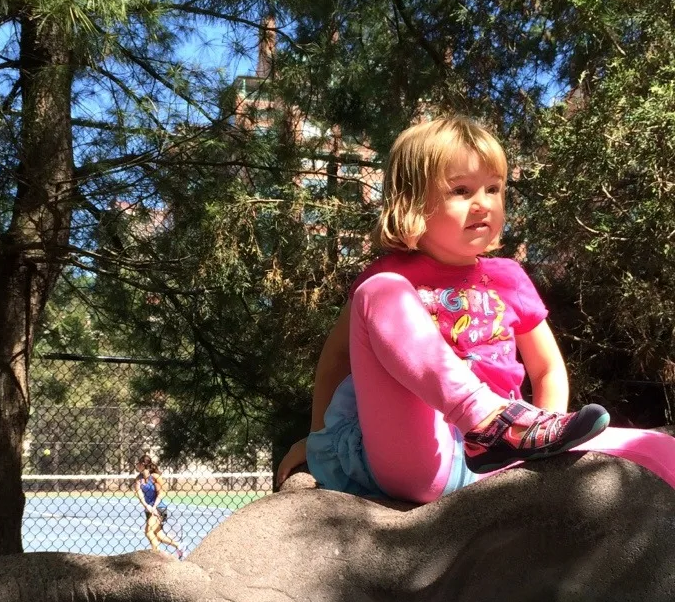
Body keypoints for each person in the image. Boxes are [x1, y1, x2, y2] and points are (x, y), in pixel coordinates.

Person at [276, 115, 675, 503]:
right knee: (381, 290)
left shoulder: (509, 277)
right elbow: (338, 358)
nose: (483, 204)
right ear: (413, 202)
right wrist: (316, 439)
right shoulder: (388, 277)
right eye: (461, 191)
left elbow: (547, 368)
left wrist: (544, 438)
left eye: (494, 189)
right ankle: (483, 419)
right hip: (418, 453)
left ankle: (510, 431)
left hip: (500, 460)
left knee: (658, 448)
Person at [134, 455, 183, 558]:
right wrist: (147, 506)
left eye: (138, 463)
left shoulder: (155, 477)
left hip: (160, 508)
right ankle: (179, 545)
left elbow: (160, 493)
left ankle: (156, 555)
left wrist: (154, 507)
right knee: (159, 536)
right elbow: (140, 495)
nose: (136, 465)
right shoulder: (138, 479)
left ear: (143, 464)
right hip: (148, 509)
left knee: (148, 531)